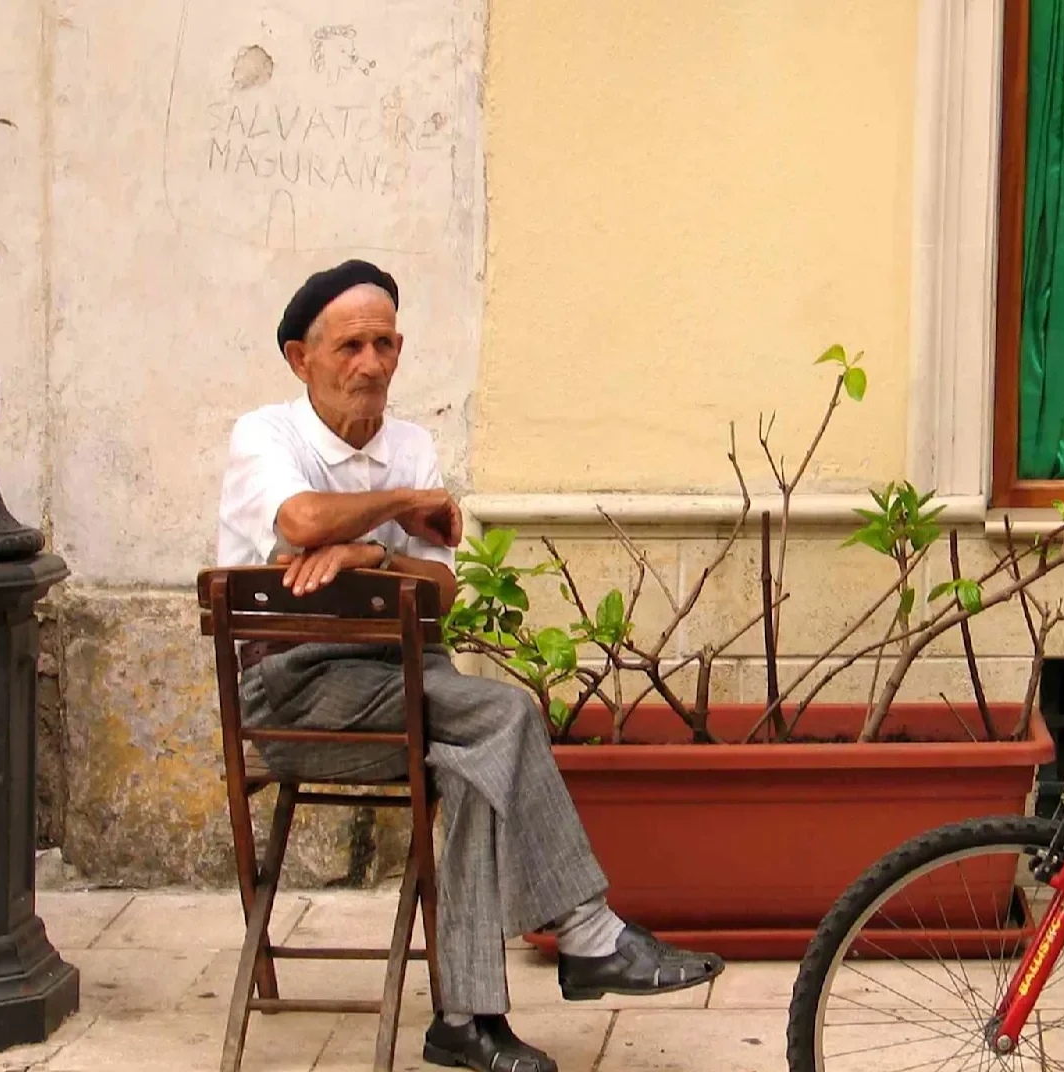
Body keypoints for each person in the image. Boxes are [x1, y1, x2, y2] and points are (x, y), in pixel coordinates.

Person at [217, 260, 725, 1072]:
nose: (372, 364)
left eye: (385, 344)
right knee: (507, 716)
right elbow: (300, 517)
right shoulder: (265, 436)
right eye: (350, 345)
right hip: (299, 695)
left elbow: (444, 590)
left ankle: (466, 1020)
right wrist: (395, 512)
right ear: (298, 357)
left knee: (478, 763)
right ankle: (589, 935)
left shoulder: (411, 443)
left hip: (409, 678)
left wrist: (366, 555)